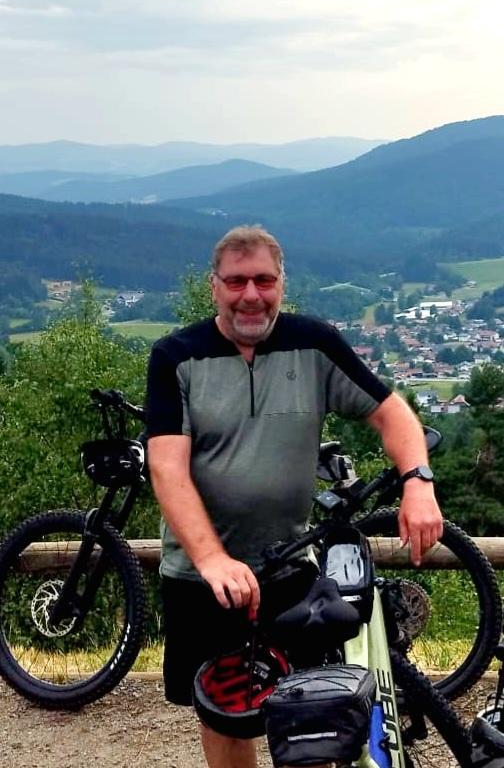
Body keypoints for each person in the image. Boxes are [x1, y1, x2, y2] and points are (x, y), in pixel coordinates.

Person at [146, 225, 443, 768]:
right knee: (224, 717)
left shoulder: (314, 343)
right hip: (201, 576)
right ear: (214, 286)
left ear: (282, 283)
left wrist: (418, 482)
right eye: (236, 282)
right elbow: (167, 467)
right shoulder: (175, 356)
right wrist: (212, 558)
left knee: (315, 711)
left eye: (264, 280)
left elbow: (391, 412)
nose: (250, 295)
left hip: (288, 562)